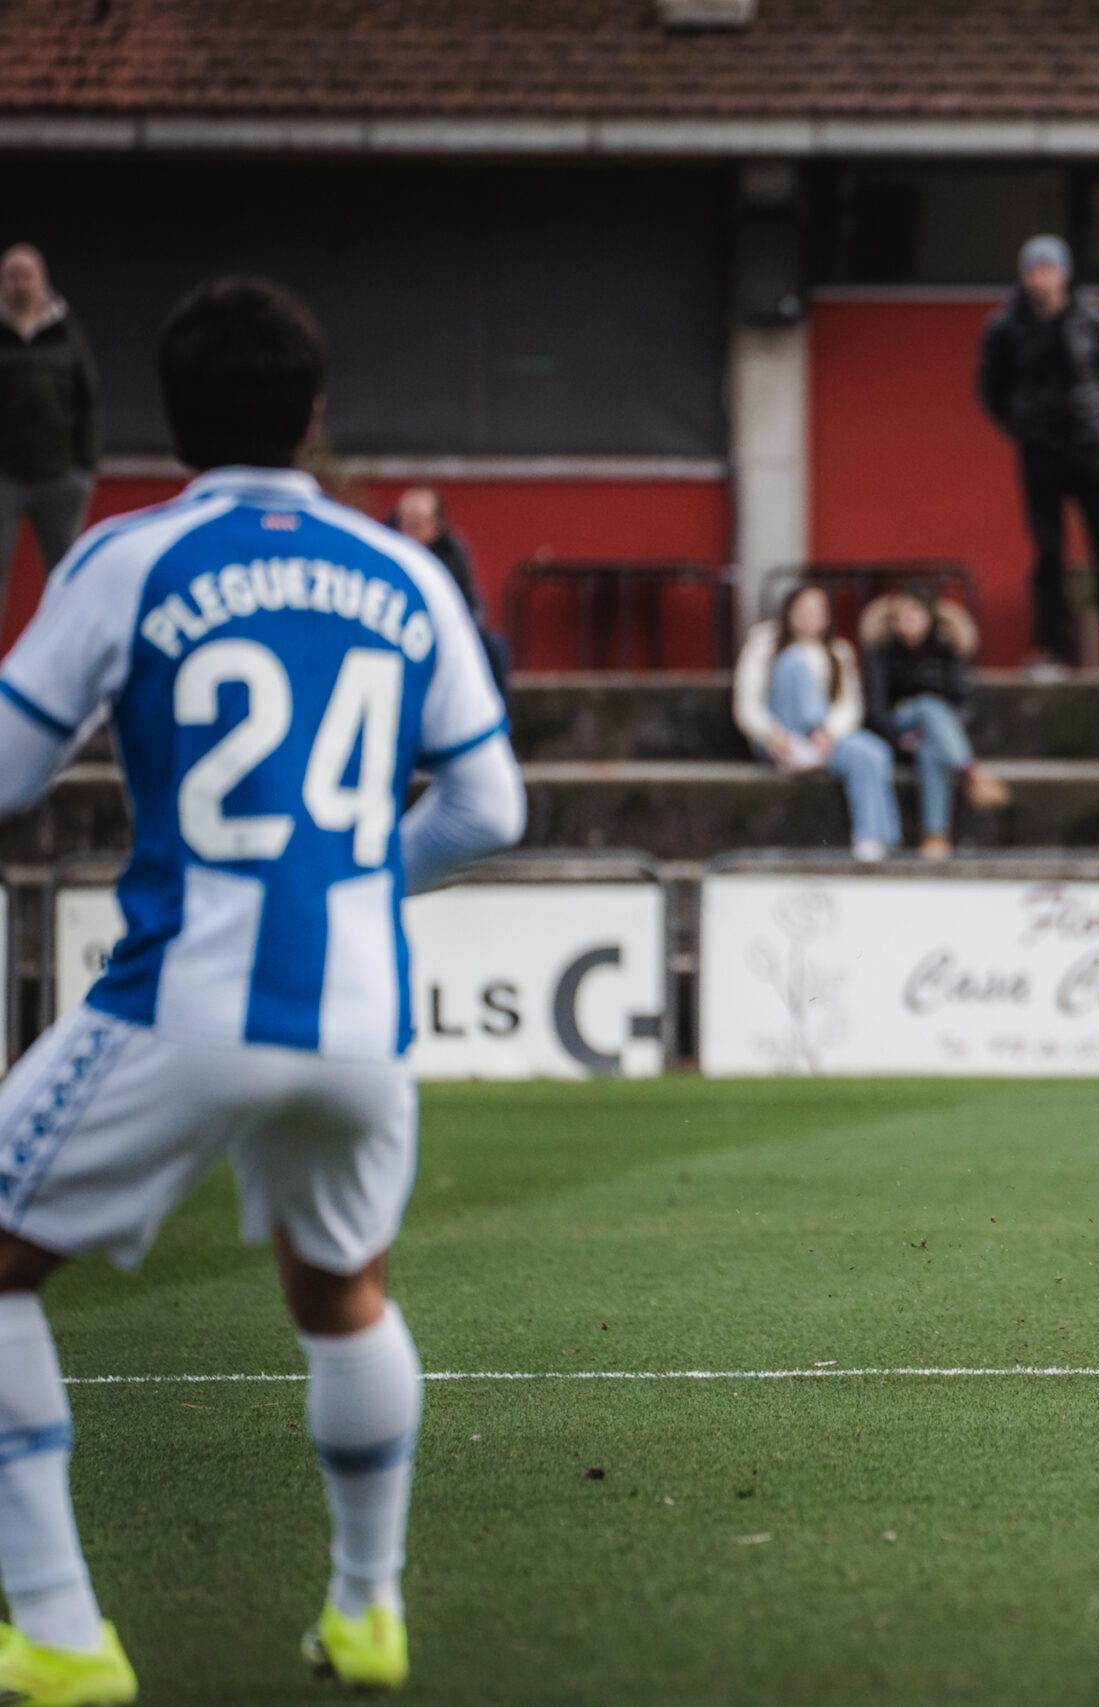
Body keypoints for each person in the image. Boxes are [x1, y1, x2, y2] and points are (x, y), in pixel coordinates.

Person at [0, 276, 523, 1701]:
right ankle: (367, 1611)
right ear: (314, 416)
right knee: (342, 1287)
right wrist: (347, 877)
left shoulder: (126, 558)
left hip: (189, 993)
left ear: (168, 422)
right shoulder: (405, 571)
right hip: (360, 1013)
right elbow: (491, 805)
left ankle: (57, 1629)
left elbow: (11, 770)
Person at [975, 235, 1099, 670]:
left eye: (1047, 270)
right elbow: (990, 389)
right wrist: (1022, 426)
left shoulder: (1090, 317)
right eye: (1032, 271)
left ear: (1064, 274)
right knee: (1048, 550)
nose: (1040, 279)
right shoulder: (1004, 326)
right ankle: (1047, 646)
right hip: (1039, 451)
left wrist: (1087, 412)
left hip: (1088, 444)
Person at [734, 583, 901, 859]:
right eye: (803, 609)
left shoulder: (839, 651)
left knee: (874, 753)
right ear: (788, 612)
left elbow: (849, 706)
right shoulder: (764, 643)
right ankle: (803, 746)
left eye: (816, 610)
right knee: (795, 661)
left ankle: (874, 839)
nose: (809, 616)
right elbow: (747, 704)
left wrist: (827, 732)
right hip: (779, 739)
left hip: (822, 740)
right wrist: (770, 733)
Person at [860, 586, 1012, 859]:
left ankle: (935, 836)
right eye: (899, 615)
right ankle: (970, 773)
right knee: (928, 705)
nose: (906, 621)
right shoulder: (882, 655)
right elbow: (876, 709)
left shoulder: (945, 652)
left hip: (938, 736)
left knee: (931, 750)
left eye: (913, 613)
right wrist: (899, 738)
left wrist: (943, 729)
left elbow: (965, 704)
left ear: (928, 616)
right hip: (900, 728)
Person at [0, 245, 100, 592]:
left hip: (62, 477)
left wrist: (85, 467)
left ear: (41, 280)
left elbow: (89, 399)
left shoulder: (66, 332)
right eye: (11, 276)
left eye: (26, 276)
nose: (19, 284)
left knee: (65, 580)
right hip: (5, 477)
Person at [390, 485, 510, 693]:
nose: (409, 532)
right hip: (398, 632)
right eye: (405, 522)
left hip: (447, 632)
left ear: (435, 525)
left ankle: (494, 711)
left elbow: (471, 602)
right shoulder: (387, 552)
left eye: (417, 524)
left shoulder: (452, 554)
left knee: (494, 648)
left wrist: (463, 632)